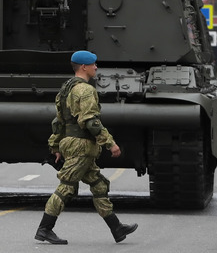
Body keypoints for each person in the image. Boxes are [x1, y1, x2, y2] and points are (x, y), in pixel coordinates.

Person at [35, 50, 139, 245]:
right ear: (84, 67)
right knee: (67, 187)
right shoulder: (85, 90)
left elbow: (59, 121)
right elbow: (91, 121)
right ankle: (44, 229)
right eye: (93, 64)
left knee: (99, 185)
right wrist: (111, 143)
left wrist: (55, 145)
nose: (96, 67)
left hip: (72, 143)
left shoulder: (65, 89)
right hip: (81, 145)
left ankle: (117, 228)